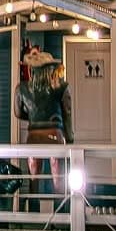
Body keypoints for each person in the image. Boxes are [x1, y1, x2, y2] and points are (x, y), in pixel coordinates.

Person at [13, 48, 74, 209]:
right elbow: (67, 114)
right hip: (55, 134)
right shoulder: (61, 87)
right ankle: (60, 217)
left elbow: (18, 113)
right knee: (58, 180)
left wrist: (33, 117)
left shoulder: (22, 88)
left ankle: (34, 215)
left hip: (33, 135)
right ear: (50, 69)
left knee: (34, 179)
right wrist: (70, 138)